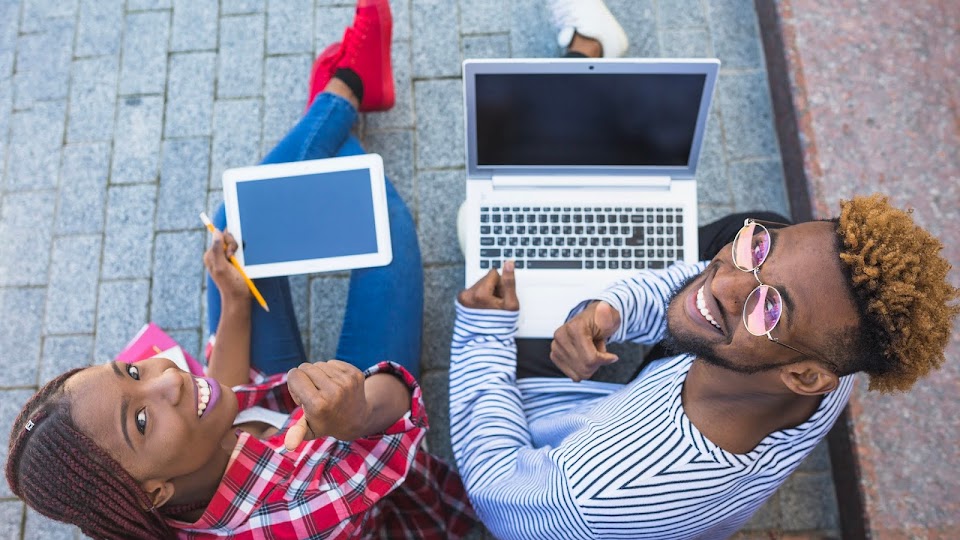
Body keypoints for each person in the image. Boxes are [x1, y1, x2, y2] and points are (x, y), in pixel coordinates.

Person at [447, 3, 960, 539]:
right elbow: (718, 286)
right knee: (754, 232)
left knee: (490, 265)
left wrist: (481, 332)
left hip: (559, 433)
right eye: (759, 250)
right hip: (666, 387)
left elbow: (494, 489)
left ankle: (587, 50)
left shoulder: (593, 494)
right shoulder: (831, 355)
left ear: (807, 377)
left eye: (771, 306)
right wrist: (610, 309)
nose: (726, 278)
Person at [6, 1, 475, 538]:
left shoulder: (180, 461)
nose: (166, 378)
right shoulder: (295, 518)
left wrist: (233, 303)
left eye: (132, 372)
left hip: (274, 396)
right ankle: (340, 94)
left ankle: (340, 96)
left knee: (238, 220)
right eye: (139, 419)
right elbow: (396, 411)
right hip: (351, 430)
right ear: (153, 494)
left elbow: (221, 385)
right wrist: (354, 420)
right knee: (376, 216)